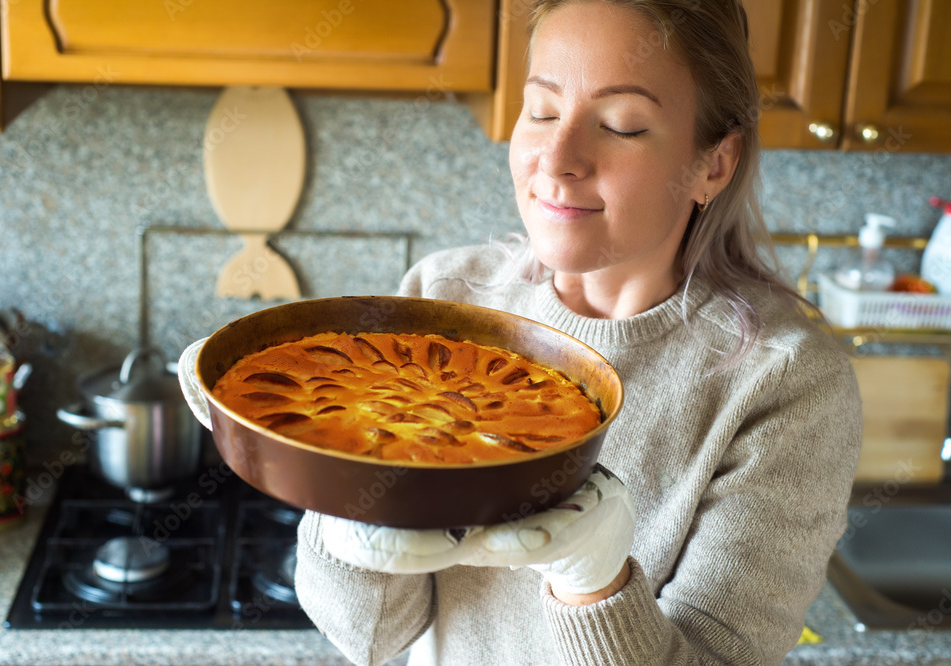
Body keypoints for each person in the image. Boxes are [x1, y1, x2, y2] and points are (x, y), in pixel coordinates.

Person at [193, 1, 863, 664]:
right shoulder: (444, 302)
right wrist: (348, 512)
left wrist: (593, 582)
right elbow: (370, 638)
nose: (558, 157)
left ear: (712, 165)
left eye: (621, 125)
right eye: (542, 110)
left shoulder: (784, 382)